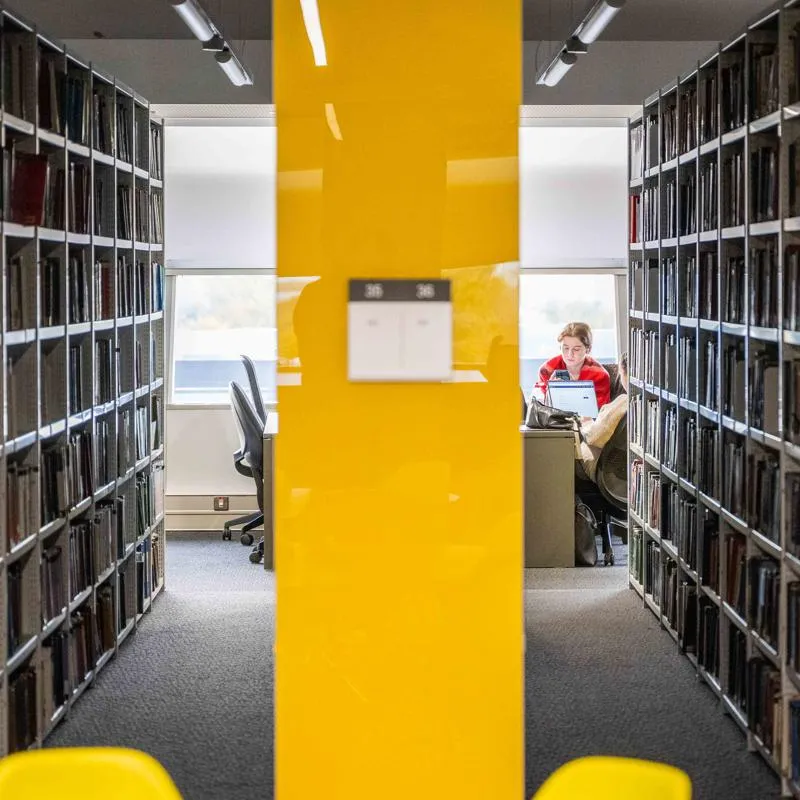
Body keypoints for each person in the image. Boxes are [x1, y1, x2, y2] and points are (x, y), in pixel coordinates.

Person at [575, 352, 628, 483]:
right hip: (627, 470)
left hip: (609, 472)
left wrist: (586, 422)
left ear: (623, 370)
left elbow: (594, 437)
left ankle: (576, 502)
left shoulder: (623, 402)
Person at [535, 321, 611, 409]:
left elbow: (601, 412)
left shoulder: (600, 375)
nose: (570, 354)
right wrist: (550, 391)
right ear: (560, 347)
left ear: (588, 349)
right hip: (553, 421)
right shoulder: (547, 370)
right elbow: (540, 408)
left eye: (576, 349)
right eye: (566, 348)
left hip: (588, 421)